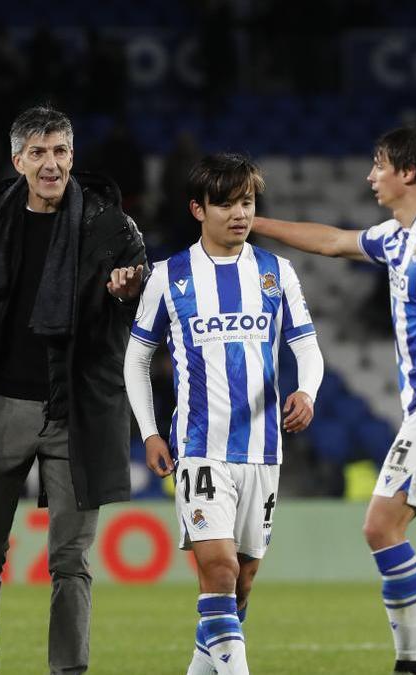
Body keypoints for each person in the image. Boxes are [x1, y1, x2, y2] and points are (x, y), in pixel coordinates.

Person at [253, 127, 416, 675]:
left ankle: (409, 666)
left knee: (379, 526)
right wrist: (251, 224)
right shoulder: (398, 237)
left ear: (408, 173)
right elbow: (330, 241)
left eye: (379, 165)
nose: (371, 176)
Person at [0, 105, 146, 675]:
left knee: (70, 559)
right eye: (38, 153)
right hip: (1, 407)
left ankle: (69, 670)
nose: (51, 164)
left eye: (61, 151)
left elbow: (142, 304)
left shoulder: (110, 225)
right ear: (18, 160)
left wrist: (127, 293)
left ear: (73, 156)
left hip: (77, 411)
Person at [124, 153, 324, 675]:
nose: (240, 213)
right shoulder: (170, 276)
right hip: (199, 448)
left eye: (247, 202)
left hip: (263, 449)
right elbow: (137, 358)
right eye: (227, 203)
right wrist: (149, 431)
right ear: (198, 209)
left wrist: (307, 393)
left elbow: (306, 347)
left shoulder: (277, 272)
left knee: (241, 581)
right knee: (217, 566)